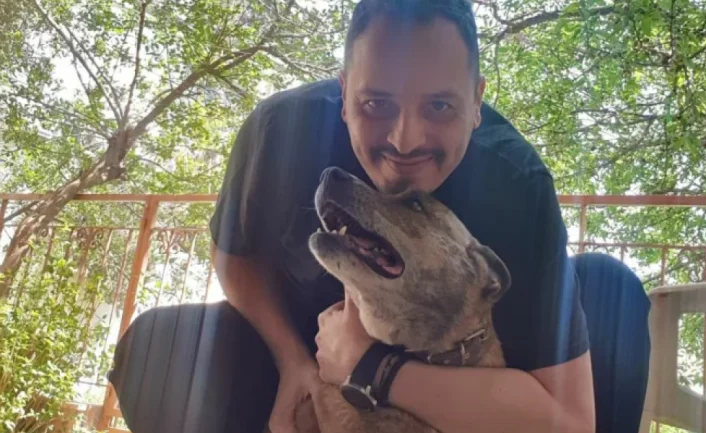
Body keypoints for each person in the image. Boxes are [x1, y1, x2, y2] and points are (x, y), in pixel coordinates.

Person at [108, 1, 651, 433]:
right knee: (161, 347)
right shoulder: (281, 131)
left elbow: (571, 421)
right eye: (376, 104)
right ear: (344, 93)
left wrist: (370, 367)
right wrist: (292, 360)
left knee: (610, 291)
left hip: (464, 376)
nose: (404, 141)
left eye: (439, 106)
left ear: (477, 101)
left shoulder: (515, 182)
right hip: (307, 357)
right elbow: (234, 255)